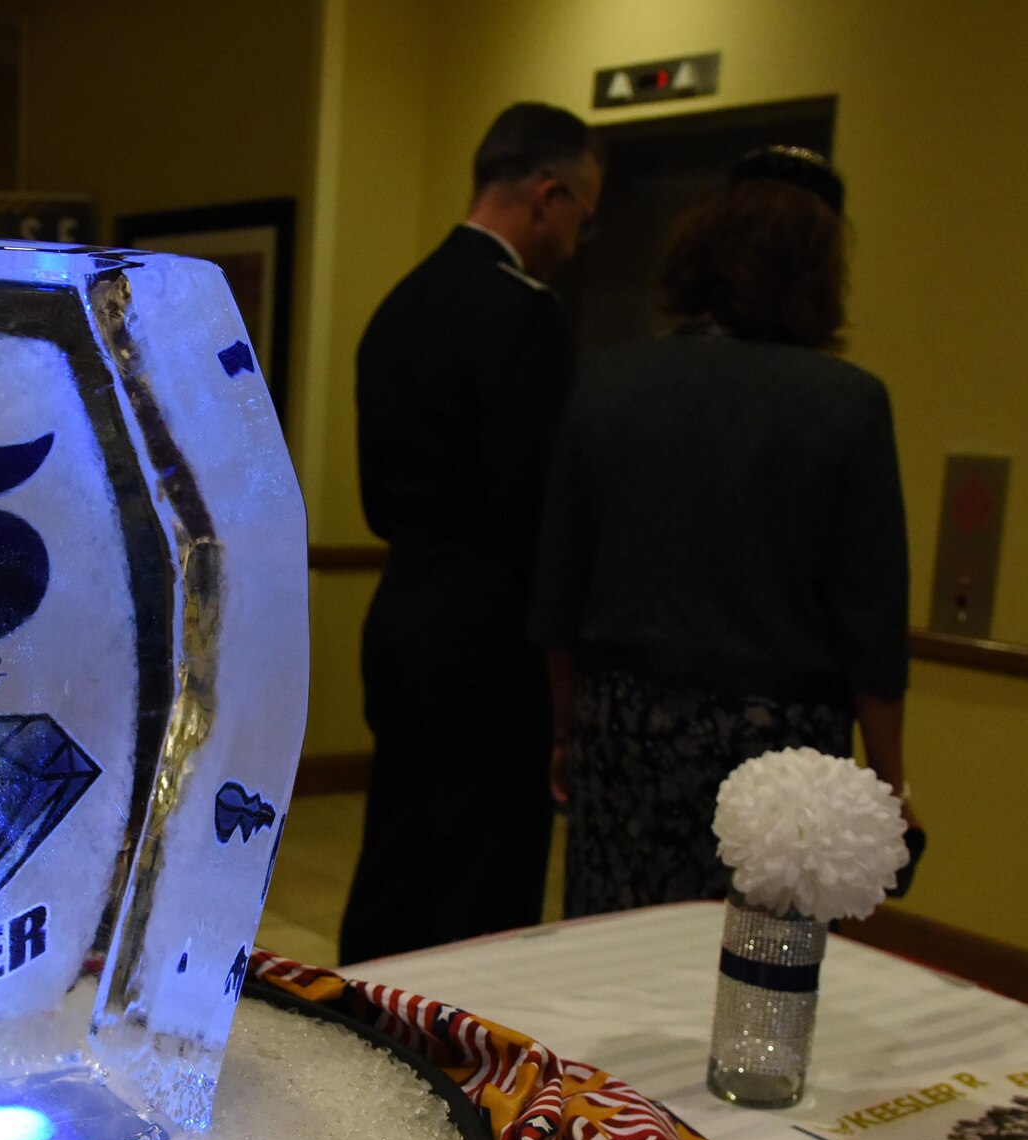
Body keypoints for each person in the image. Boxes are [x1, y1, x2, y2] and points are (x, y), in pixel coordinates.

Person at [529, 147, 913, 916]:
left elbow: (558, 587)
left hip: (627, 721)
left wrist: (567, 729)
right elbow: (870, 618)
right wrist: (891, 781)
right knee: (756, 965)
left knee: (611, 943)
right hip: (780, 748)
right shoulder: (848, 405)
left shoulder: (608, 383)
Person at [339, 102, 602, 964]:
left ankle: (366, 1020)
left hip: (404, 605)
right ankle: (469, 1059)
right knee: (484, 868)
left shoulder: (400, 305)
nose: (575, 237)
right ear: (546, 193)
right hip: (490, 624)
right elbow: (538, 508)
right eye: (580, 215)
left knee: (400, 846)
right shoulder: (526, 316)